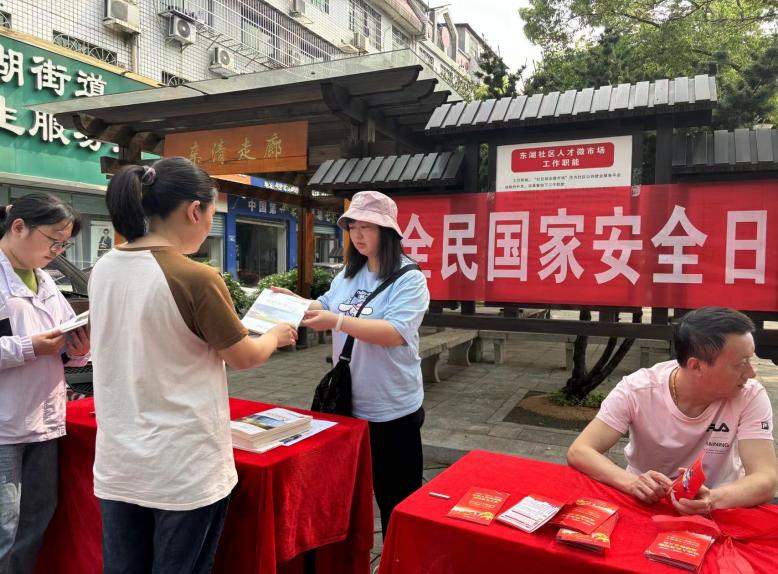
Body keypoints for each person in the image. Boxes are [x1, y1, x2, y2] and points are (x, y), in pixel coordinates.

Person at [88, 157, 297, 574]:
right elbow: (243, 356)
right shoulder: (195, 277)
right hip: (183, 465)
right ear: (195, 210)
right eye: (212, 212)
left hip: (119, 460)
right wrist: (276, 335)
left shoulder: (105, 267)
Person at [275, 190, 430, 538]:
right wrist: (295, 303)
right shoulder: (348, 273)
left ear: (388, 231)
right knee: (346, 493)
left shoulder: (409, 278)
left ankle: (396, 558)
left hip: (392, 408)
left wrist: (338, 322)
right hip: (347, 404)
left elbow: (395, 332)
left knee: (396, 498)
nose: (358, 235)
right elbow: (325, 305)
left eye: (367, 227)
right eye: (353, 227)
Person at [568, 307, 778, 515]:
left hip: (721, 503)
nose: (752, 373)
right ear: (696, 366)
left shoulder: (749, 395)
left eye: (750, 360)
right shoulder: (638, 390)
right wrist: (632, 483)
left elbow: (766, 478)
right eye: (741, 364)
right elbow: (580, 451)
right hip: (646, 502)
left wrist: (712, 499)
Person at [0, 193, 90, 574]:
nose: (57, 251)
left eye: (63, 245)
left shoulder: (46, 280)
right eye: (53, 240)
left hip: (44, 422)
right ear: (19, 227)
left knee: (36, 519)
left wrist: (78, 350)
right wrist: (29, 347)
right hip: (4, 428)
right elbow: (32, 344)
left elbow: (62, 340)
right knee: (4, 527)